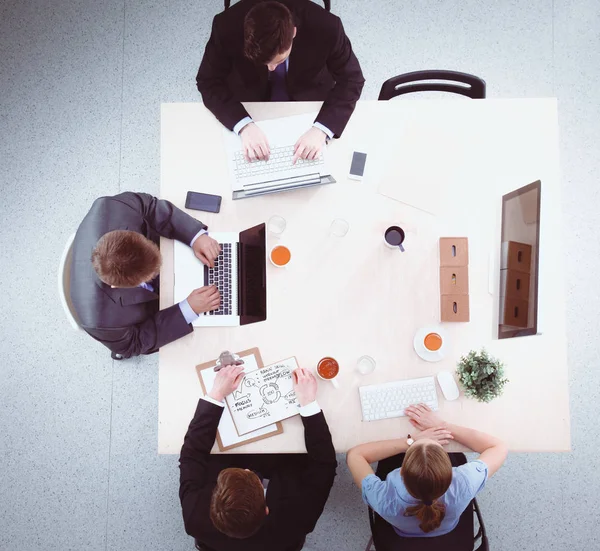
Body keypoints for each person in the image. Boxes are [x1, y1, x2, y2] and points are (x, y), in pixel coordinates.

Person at [179, 365, 336, 551]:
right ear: (267, 509)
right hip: (281, 465)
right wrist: (308, 402)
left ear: (213, 502)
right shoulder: (299, 519)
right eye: (251, 477)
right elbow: (325, 465)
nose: (247, 469)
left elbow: (191, 455)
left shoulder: (194, 517)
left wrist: (216, 394)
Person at [196, 0, 365, 163]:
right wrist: (243, 125)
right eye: (265, 63)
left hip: (309, 100)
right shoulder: (226, 25)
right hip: (251, 100)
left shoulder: (327, 26)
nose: (271, 69)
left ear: (293, 32)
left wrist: (322, 129)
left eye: (278, 61)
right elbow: (208, 81)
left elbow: (352, 79)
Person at [70, 192, 221, 359]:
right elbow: (135, 343)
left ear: (130, 235)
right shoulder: (100, 322)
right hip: (151, 311)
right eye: (151, 275)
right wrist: (188, 310)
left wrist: (195, 236)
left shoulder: (111, 206)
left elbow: (151, 207)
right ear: (117, 286)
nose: (161, 270)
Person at [346, 404, 508, 538]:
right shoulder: (464, 483)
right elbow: (498, 447)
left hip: (402, 533)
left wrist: (410, 441)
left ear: (401, 472)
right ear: (451, 470)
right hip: (449, 529)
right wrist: (443, 426)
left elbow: (355, 455)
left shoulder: (384, 500)